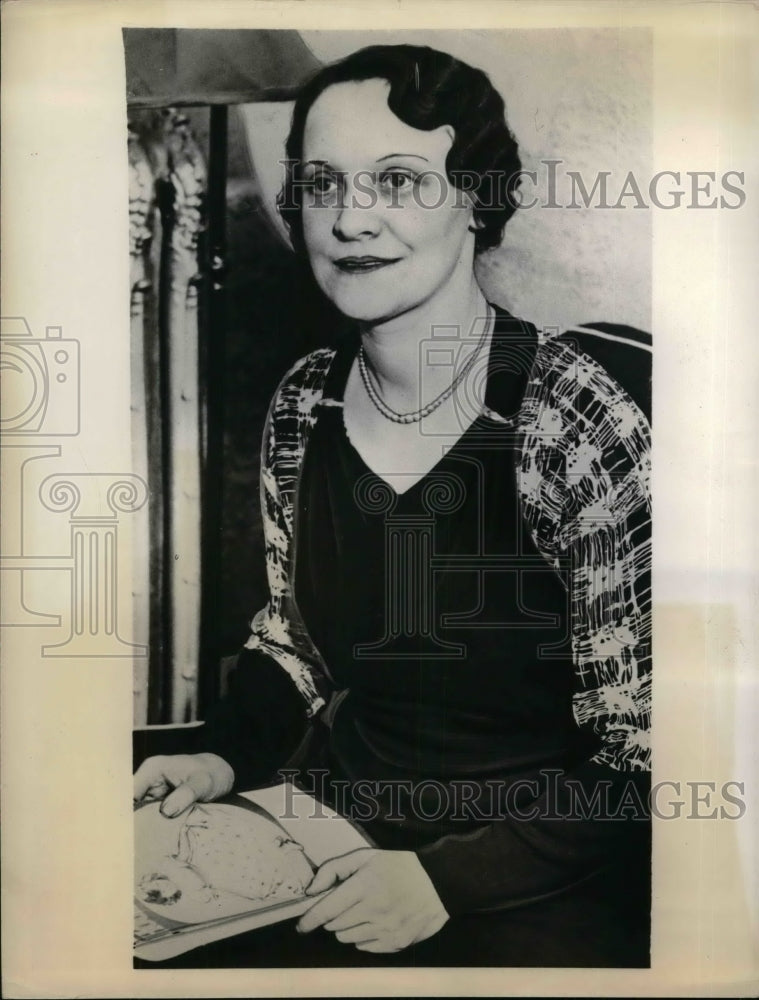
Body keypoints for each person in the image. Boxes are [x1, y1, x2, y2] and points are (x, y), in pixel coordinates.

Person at [133, 43, 652, 967]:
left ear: (476, 200)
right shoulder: (304, 401)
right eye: (322, 183)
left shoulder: (573, 415)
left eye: (400, 181)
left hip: (537, 874)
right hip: (332, 838)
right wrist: (219, 753)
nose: (351, 218)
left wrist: (447, 882)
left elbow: (648, 758)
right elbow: (295, 640)